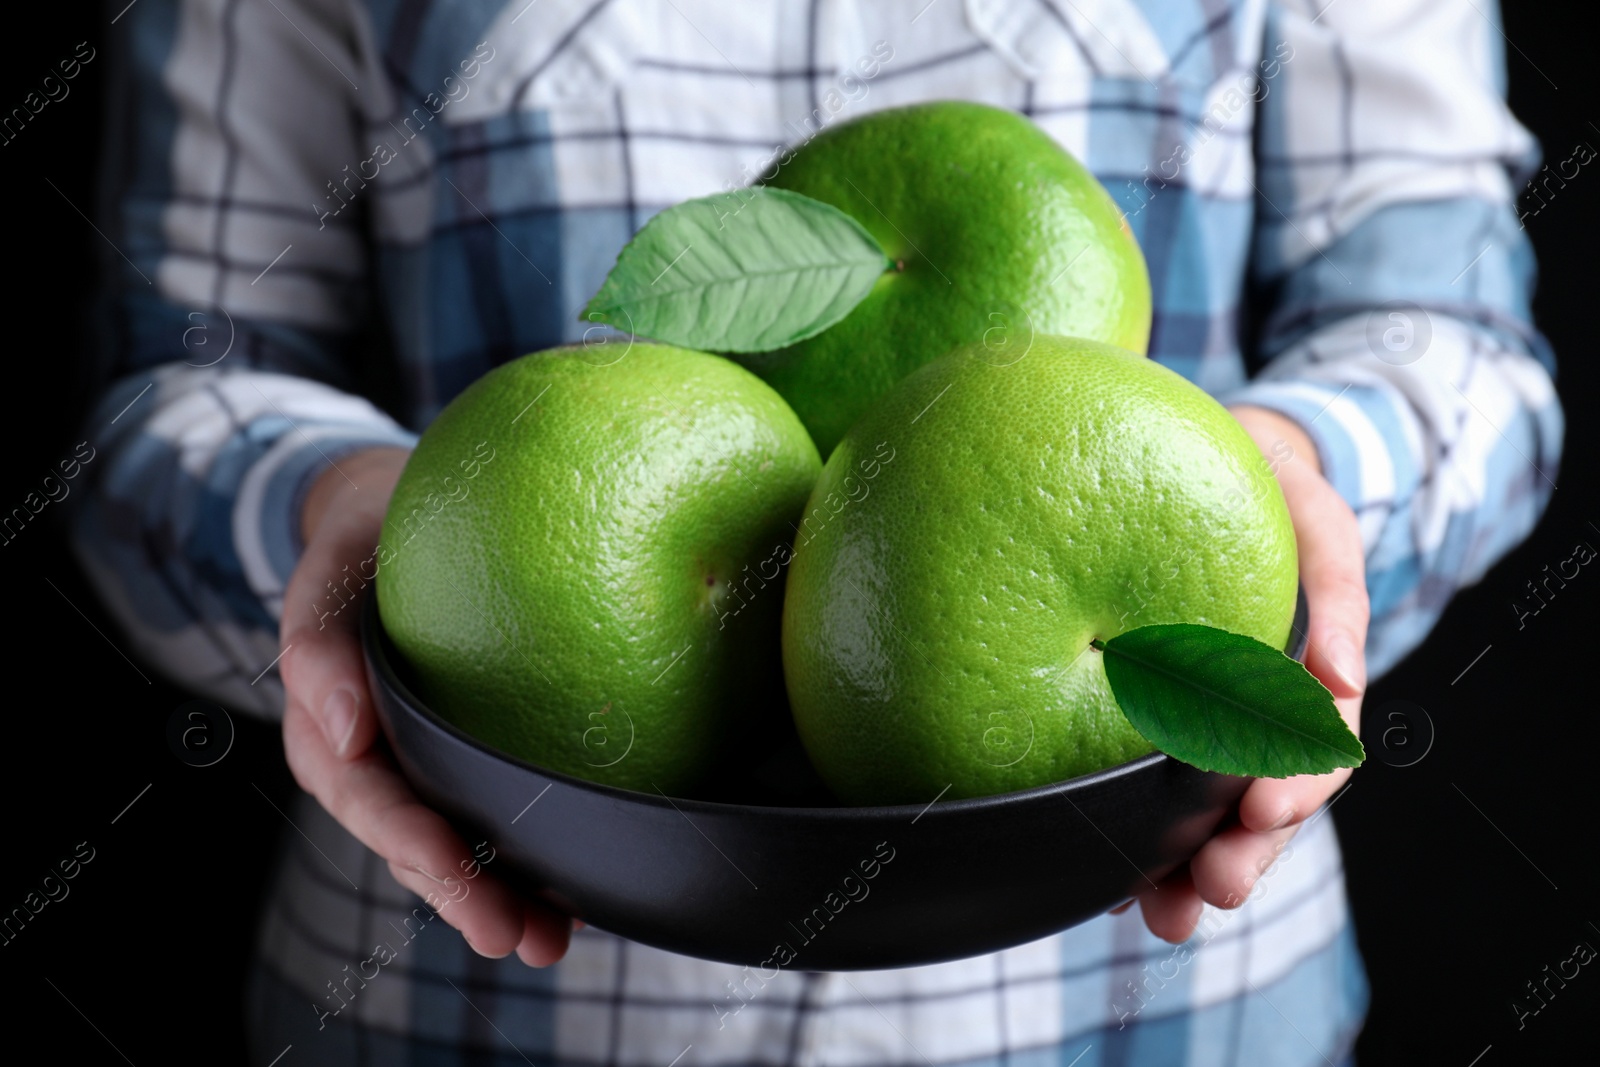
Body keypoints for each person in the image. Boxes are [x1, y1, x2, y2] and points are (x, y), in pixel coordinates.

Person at [73, 1, 1561, 1063]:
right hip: (455, 1004)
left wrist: (1299, 472)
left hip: (1175, 1022)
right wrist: (335, 514)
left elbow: (1455, 335)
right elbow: (160, 399)